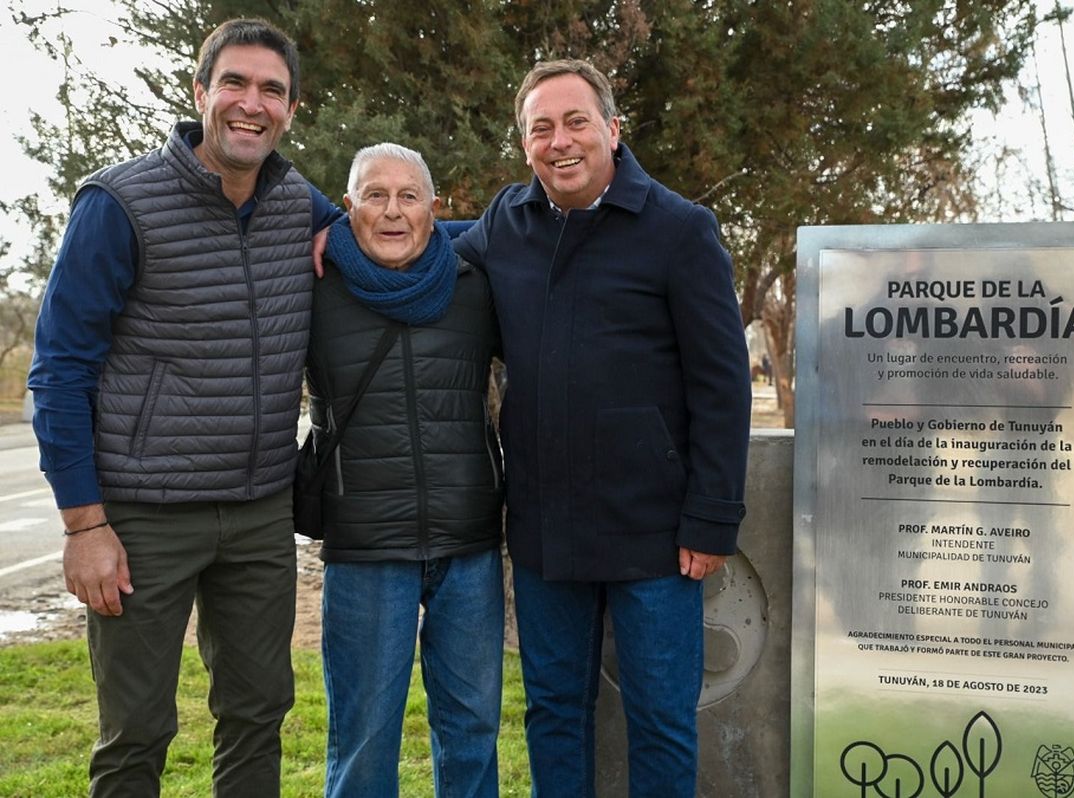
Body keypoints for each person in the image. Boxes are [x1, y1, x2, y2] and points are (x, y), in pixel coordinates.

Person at [26, 18, 340, 797]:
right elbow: (59, 372)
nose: (251, 103)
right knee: (135, 732)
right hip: (142, 515)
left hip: (262, 510)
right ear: (200, 92)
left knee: (258, 714)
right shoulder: (119, 203)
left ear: (291, 109)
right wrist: (84, 525)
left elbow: (389, 237)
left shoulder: (298, 202)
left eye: (272, 89)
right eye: (234, 82)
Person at [454, 59, 751, 797]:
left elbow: (722, 384)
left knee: (660, 718)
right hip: (546, 528)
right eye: (540, 128)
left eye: (576, 121)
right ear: (524, 144)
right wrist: (345, 228)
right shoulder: (504, 225)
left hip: (654, 533)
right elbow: (425, 258)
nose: (560, 141)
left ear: (613, 130)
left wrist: (712, 518)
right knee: (554, 712)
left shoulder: (681, 230)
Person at [306, 143, 503, 798]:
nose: (393, 211)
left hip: (469, 545)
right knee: (363, 739)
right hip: (365, 550)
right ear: (347, 206)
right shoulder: (314, 285)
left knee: (473, 731)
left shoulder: (476, 283)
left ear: (434, 208)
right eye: (374, 195)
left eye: (409, 196)